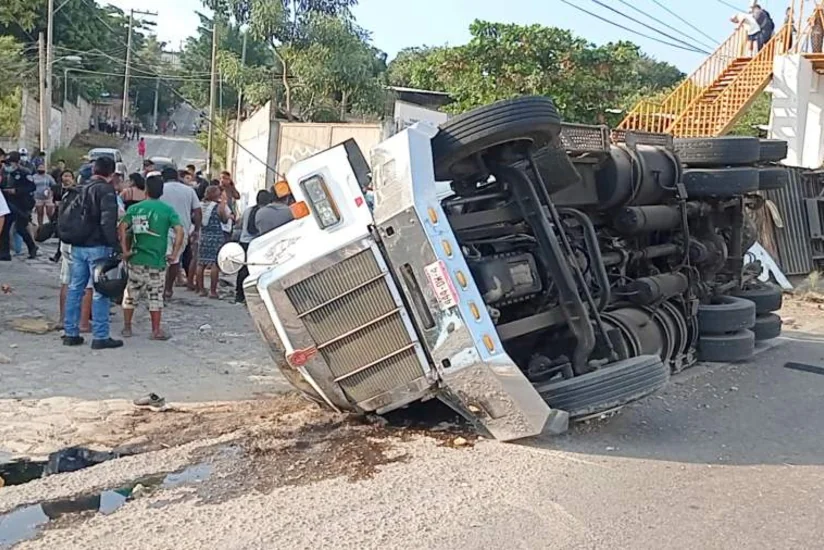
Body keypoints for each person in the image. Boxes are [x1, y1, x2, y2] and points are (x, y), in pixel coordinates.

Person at [61, 156, 123, 350]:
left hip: (78, 246)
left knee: (75, 288)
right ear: (111, 173)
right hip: (97, 247)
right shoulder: (105, 190)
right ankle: (101, 336)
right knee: (101, 290)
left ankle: (71, 332)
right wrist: (115, 246)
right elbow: (107, 221)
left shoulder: (81, 188)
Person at [119, 175, 185, 340]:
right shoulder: (167, 210)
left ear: (146, 190)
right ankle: (156, 330)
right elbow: (179, 231)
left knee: (131, 293)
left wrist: (125, 250)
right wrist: (175, 253)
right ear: (161, 192)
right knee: (155, 296)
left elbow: (121, 227)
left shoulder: (135, 209)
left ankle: (127, 327)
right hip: (157, 261)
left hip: (136, 258)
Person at [57, 169, 93, 332]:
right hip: (82, 244)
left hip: (66, 241)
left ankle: (63, 319)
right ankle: (83, 323)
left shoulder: (68, 195)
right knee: (86, 284)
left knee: (66, 281)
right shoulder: (90, 196)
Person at [159, 167, 201, 300]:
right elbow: (198, 211)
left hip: (162, 229)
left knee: (161, 259)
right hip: (182, 230)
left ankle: (159, 287)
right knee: (175, 260)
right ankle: (168, 288)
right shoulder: (189, 190)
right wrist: (197, 229)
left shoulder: (160, 189)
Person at [235, 190, 273, 304]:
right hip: (256, 244)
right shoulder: (264, 212)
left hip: (244, 242)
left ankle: (239, 294)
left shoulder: (248, 210)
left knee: (243, 270)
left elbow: (240, 224)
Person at [0, 151, 38, 260]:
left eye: (10, 163)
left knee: (21, 227)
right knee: (6, 228)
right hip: (9, 203)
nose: (8, 165)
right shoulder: (4, 172)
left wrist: (16, 191)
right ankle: (4, 253)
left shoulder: (24, 172)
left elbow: (31, 187)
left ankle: (32, 247)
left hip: (22, 204)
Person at [196, 185, 230, 298]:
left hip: (203, 236)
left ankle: (201, 289)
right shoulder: (218, 206)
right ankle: (213, 291)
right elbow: (224, 220)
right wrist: (228, 214)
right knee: (215, 264)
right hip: (216, 236)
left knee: (201, 263)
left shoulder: (200, 205)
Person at [218, 171, 240, 241]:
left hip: (229, 212)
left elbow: (237, 196)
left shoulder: (230, 188)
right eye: (222, 178)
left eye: (226, 178)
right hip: (220, 213)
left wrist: (232, 186)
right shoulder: (217, 188)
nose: (223, 180)